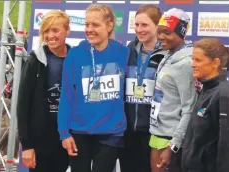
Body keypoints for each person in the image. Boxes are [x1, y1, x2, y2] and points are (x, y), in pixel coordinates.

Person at [58, 4, 129, 172]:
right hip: (80, 132)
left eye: (95, 25)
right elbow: (67, 96)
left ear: (109, 25)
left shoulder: (123, 53)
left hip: (111, 132)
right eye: (87, 24)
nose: (89, 29)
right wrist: (64, 133)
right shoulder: (75, 55)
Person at [17, 10, 70, 172]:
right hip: (41, 140)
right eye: (46, 31)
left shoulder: (76, 59)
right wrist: (26, 145)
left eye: (55, 30)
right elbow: (23, 104)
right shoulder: (35, 60)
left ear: (67, 31)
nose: (50, 35)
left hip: (68, 138)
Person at [149, 8, 197, 172]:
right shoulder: (168, 54)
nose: (161, 37)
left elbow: (189, 108)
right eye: (159, 32)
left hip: (170, 138)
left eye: (167, 32)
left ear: (181, 34)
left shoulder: (186, 64)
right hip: (158, 132)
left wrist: (174, 145)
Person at [182, 38, 229, 172]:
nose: (192, 64)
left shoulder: (223, 94)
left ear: (215, 63)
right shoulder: (206, 89)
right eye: (192, 59)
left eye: (198, 60)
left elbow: (227, 146)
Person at [119, 5, 165, 172]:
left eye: (144, 25)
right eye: (136, 25)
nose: (139, 29)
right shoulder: (128, 51)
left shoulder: (167, 54)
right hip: (128, 131)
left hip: (154, 132)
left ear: (157, 25)